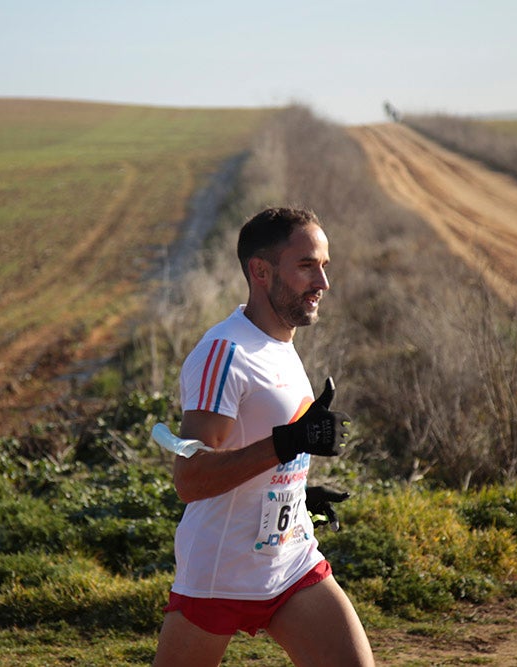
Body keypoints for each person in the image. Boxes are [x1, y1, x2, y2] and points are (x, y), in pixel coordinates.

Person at [152, 207, 374, 666]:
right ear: (260, 271)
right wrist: (289, 443)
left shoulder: (281, 344)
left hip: (290, 560)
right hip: (221, 574)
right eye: (306, 266)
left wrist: (296, 490)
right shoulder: (225, 353)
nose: (322, 284)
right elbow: (191, 480)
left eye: (324, 267)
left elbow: (254, 448)